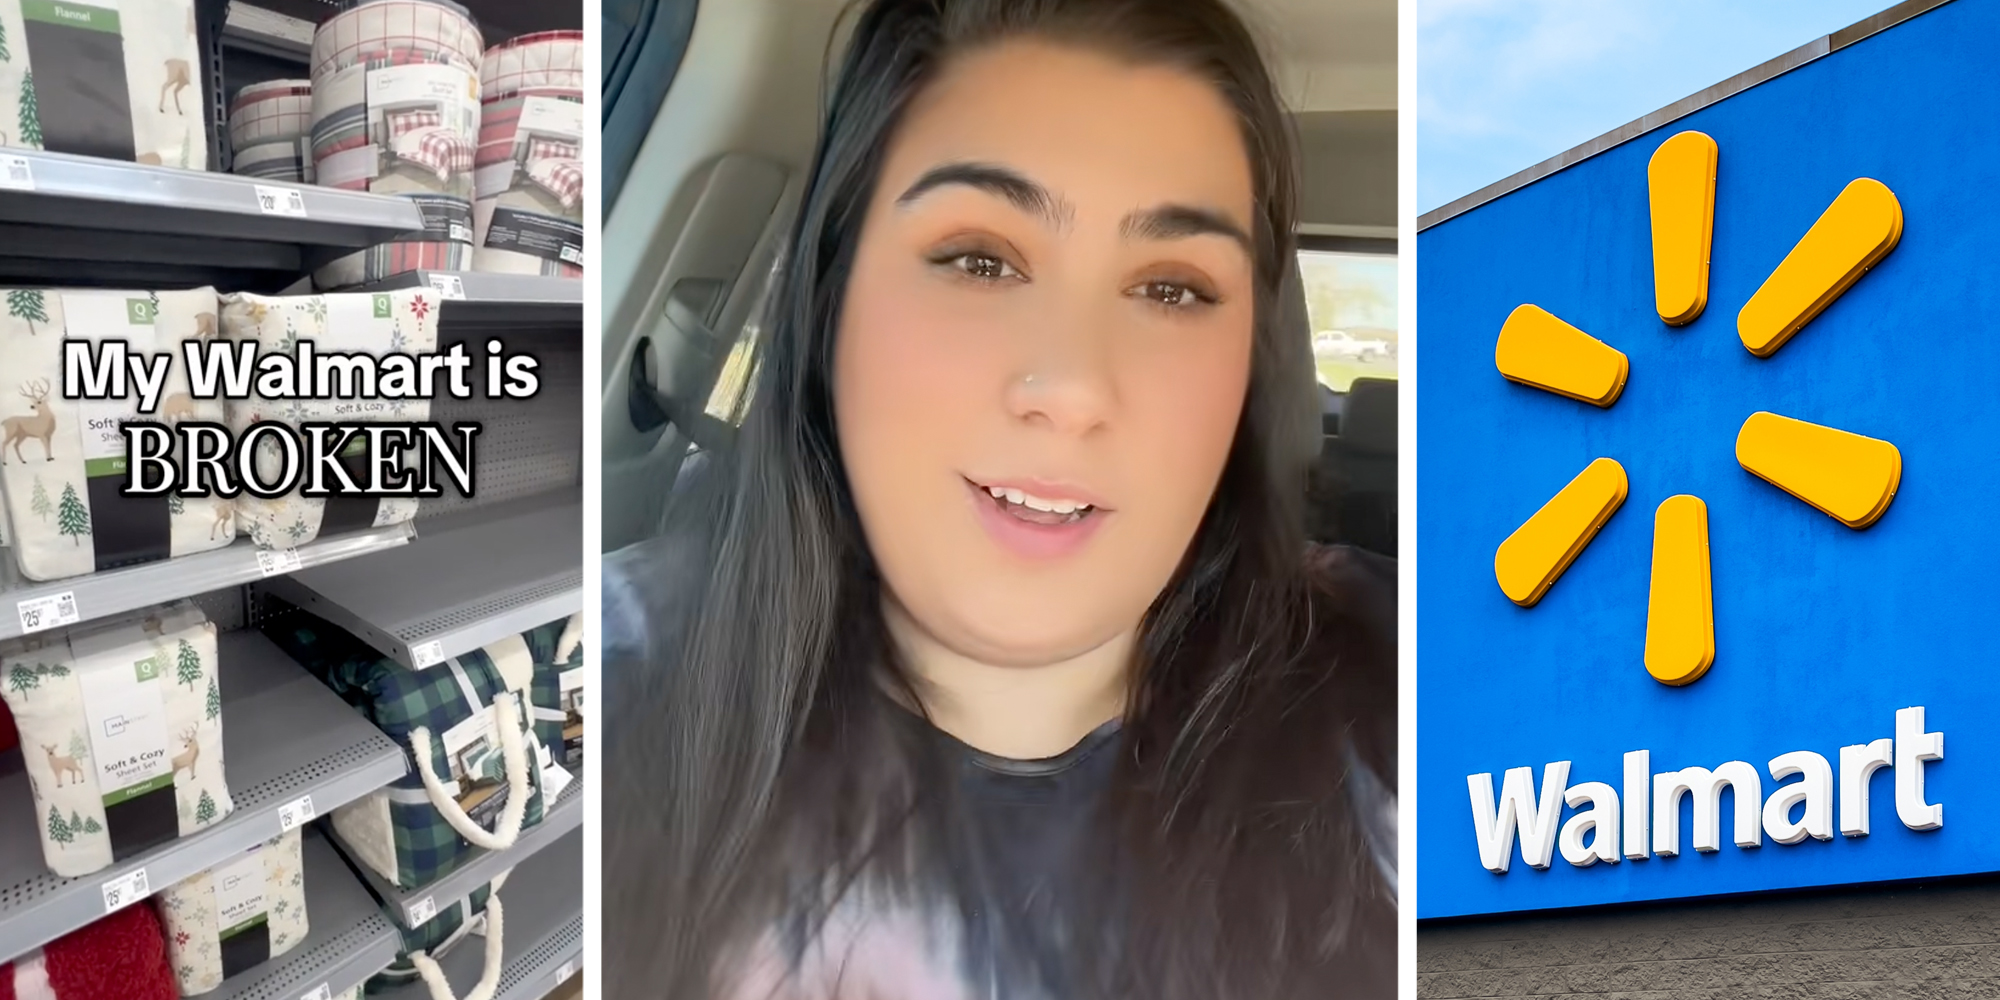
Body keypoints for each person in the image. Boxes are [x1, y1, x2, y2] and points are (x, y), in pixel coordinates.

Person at [602, 1, 1396, 997]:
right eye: (979, 259)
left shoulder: (1412, 702)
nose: (1069, 386)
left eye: (1171, 288)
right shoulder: (587, 696)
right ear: (829, 300)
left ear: (1247, 374)